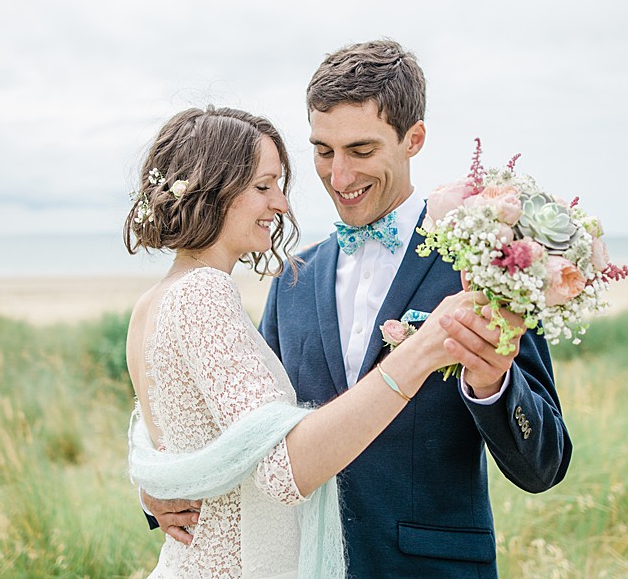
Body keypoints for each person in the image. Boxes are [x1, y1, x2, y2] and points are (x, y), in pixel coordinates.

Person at [146, 40, 573, 577]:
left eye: (361, 151)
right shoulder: (293, 279)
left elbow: (546, 464)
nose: (339, 177)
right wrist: (160, 489)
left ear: (413, 139)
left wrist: (493, 386)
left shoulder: (482, 260)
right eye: (324, 151)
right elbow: (245, 432)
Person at [124, 105, 494, 578]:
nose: (281, 203)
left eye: (279, 185)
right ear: (211, 188)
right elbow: (278, 468)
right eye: (263, 186)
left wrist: (157, 483)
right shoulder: (204, 293)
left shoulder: (151, 303)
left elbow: (195, 434)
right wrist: (420, 352)